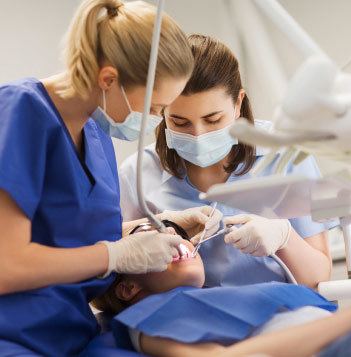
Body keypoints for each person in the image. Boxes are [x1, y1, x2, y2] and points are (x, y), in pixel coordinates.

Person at [0, 2, 222, 355]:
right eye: (155, 108)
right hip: (14, 337)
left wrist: (163, 224)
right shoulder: (21, 113)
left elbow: (64, 236)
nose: (157, 120)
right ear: (108, 80)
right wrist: (116, 255)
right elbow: (7, 264)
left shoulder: (96, 133)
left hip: (72, 336)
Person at [119, 34, 334, 289]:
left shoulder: (286, 156)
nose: (198, 135)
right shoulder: (138, 175)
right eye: (180, 122)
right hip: (188, 319)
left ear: (238, 104)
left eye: (213, 119)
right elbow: (114, 270)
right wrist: (158, 228)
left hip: (280, 313)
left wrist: (285, 237)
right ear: (161, 110)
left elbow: (319, 277)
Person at [91, 231, 351, 357]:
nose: (170, 234)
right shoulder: (143, 323)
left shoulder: (216, 296)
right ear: (128, 287)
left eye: (171, 230)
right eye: (148, 235)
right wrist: (346, 321)